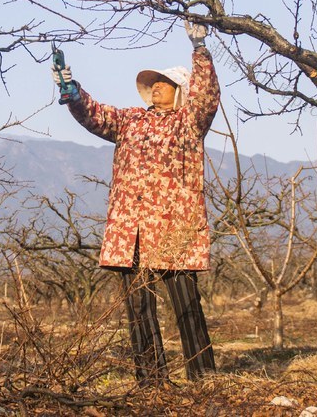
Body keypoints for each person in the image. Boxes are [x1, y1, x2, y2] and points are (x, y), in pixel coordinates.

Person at [51, 21, 220, 384]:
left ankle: (204, 376)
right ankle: (151, 379)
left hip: (174, 227)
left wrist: (200, 48)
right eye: (153, 82)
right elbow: (94, 114)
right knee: (138, 308)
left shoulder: (189, 122)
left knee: (186, 304)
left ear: (180, 91)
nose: (156, 86)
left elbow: (207, 96)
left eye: (165, 82)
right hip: (131, 231)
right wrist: (72, 88)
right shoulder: (130, 120)